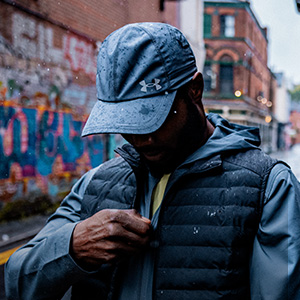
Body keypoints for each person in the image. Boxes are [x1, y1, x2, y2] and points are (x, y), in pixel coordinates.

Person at [5, 22, 300, 300]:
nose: (140, 138)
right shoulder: (95, 184)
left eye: (152, 119)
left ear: (194, 91)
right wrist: (71, 248)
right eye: (126, 123)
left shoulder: (268, 188)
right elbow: (15, 284)